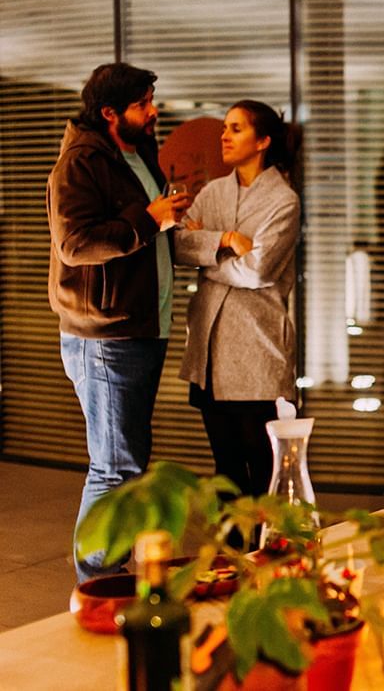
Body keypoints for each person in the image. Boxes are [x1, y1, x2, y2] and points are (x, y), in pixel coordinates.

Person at [47, 63, 188, 581]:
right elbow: (75, 243)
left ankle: (109, 572)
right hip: (104, 335)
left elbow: (149, 226)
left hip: (139, 328)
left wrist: (166, 220)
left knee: (127, 465)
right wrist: (148, 220)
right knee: (114, 468)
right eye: (143, 103)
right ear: (110, 113)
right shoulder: (81, 162)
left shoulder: (136, 152)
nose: (153, 110)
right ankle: (96, 581)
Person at [174, 100, 300, 498]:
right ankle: (231, 554)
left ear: (263, 141)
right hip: (209, 351)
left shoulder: (284, 201)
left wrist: (206, 252)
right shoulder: (213, 192)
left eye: (236, 128)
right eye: (225, 127)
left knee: (263, 471)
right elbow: (177, 245)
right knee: (225, 468)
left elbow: (259, 270)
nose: (224, 136)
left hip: (256, 353)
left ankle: (265, 555)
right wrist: (226, 241)